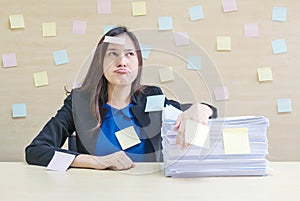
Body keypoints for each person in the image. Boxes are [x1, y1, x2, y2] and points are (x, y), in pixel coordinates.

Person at [25, 26, 217, 171]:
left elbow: (210, 114)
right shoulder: (80, 102)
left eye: (129, 54)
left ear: (138, 64)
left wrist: (201, 109)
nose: (122, 61)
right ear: (101, 62)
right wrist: (95, 161)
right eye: (112, 54)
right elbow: (35, 151)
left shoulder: (152, 98)